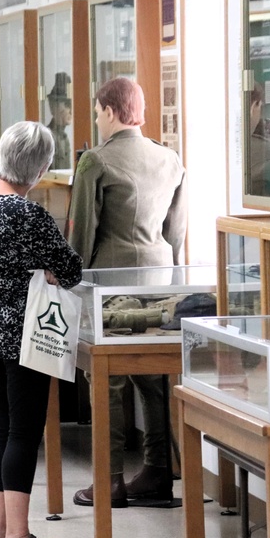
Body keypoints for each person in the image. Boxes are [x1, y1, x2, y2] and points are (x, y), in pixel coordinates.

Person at [0, 121, 82, 538]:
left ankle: (0, 532)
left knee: (3, 428)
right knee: (25, 433)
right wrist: (46, 270)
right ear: (41, 166)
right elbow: (70, 269)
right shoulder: (27, 214)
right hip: (27, 332)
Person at [68, 77, 187, 508]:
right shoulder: (170, 159)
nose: (98, 120)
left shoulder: (94, 162)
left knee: (108, 382)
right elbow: (177, 233)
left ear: (111, 112)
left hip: (109, 283)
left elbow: (82, 233)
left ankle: (111, 479)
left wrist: (70, 279)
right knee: (153, 378)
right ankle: (157, 472)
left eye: (98, 112)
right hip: (159, 280)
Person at [46, 71, 73, 170]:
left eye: (72, 104)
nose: (71, 110)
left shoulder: (64, 138)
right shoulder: (46, 138)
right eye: (66, 105)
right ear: (52, 106)